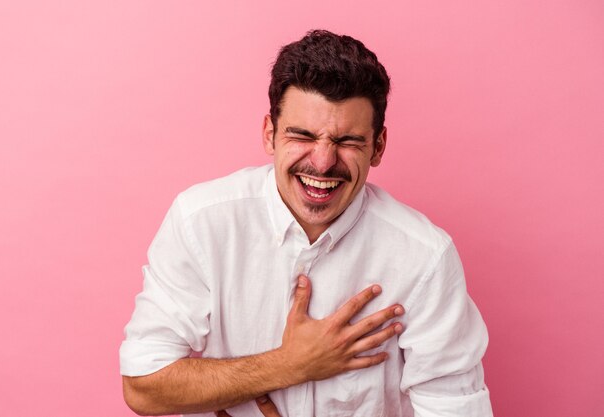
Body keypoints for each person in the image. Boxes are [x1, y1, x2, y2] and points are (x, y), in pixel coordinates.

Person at [120, 30, 493, 417]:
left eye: (347, 140)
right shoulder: (202, 222)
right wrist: (289, 365)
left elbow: (454, 407)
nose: (322, 162)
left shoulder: (424, 256)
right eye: (302, 135)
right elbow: (144, 388)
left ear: (378, 146)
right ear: (270, 133)